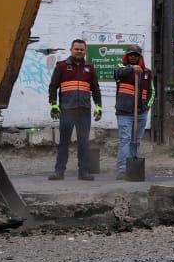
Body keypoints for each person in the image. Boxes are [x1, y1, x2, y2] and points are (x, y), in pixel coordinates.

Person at [47, 38, 101, 181]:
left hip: (84, 111)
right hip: (66, 111)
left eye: (81, 49)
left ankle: (84, 172)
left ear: (85, 51)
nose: (79, 51)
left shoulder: (90, 68)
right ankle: (59, 172)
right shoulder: (62, 66)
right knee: (64, 143)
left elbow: (95, 89)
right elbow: (53, 86)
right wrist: (53, 104)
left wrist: (99, 106)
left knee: (84, 143)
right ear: (71, 50)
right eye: (76, 49)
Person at [114, 44, 155, 178]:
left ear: (140, 57)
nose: (133, 57)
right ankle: (122, 169)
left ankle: (132, 167)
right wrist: (132, 68)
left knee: (136, 140)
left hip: (141, 113)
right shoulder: (120, 68)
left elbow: (152, 92)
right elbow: (117, 74)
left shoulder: (147, 73)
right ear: (127, 56)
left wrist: (147, 107)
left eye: (136, 55)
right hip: (124, 112)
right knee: (125, 139)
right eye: (131, 54)